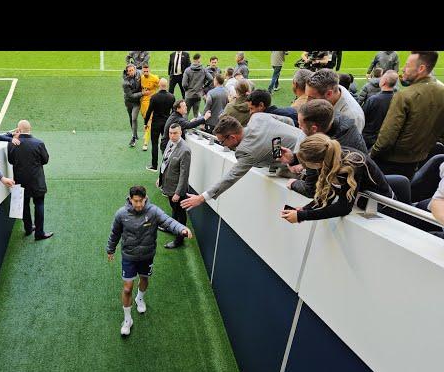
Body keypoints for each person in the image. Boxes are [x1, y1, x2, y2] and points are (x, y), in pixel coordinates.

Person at [106, 185, 192, 337]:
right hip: (129, 256)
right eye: (136, 201)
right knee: (127, 288)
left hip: (147, 255)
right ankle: (127, 320)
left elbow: (168, 221)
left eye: (142, 201)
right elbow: (115, 233)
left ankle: (140, 298)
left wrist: (181, 229)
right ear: (130, 199)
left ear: (145, 199)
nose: (139, 205)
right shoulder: (121, 214)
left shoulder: (153, 211)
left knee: (144, 279)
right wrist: (110, 249)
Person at [181, 113, 305, 211]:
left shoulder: (245, 151)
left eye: (222, 142)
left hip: (307, 164)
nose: (222, 144)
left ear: (232, 137)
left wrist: (202, 198)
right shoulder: (258, 117)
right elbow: (288, 121)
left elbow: (231, 177)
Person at [281, 134, 392, 224]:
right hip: (362, 202)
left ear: (317, 163)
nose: (304, 166)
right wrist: (305, 209)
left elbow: (344, 207)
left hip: (383, 209)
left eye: (305, 164)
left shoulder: (351, 165)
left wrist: (303, 216)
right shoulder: (328, 156)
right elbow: (327, 195)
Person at [370, 52, 444, 180]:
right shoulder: (441, 91)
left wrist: (371, 154)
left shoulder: (404, 95)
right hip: (421, 160)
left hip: (391, 162)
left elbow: (386, 139)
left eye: (407, 65)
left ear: (421, 69)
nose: (403, 68)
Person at [283, 98, 368, 198]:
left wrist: (293, 183)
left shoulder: (322, 148)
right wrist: (293, 158)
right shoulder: (341, 124)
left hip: (357, 195)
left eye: (301, 125)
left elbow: (311, 189)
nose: (299, 128)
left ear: (314, 129)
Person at [7, 120, 52, 240]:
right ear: (30, 129)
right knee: (39, 204)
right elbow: (45, 160)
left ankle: (28, 228)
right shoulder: (38, 143)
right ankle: (39, 232)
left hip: (20, 179)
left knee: (24, 204)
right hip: (37, 180)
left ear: (18, 129)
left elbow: (11, 161)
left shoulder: (12, 143)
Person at [158, 123, 191, 249]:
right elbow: (165, 162)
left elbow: (184, 174)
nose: (172, 136)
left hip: (177, 190)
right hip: (168, 186)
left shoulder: (185, 150)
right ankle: (172, 228)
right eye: (170, 133)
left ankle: (179, 240)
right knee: (174, 210)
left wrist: (178, 193)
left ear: (181, 132)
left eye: (175, 133)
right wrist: (160, 178)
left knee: (180, 215)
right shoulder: (170, 142)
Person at [305, 68, 365, 132]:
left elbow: (348, 141)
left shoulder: (351, 117)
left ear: (329, 94)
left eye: (312, 98)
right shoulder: (335, 89)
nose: (307, 102)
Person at [361, 70, 399, 149]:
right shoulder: (397, 99)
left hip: (370, 139)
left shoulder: (373, 100)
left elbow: (362, 117)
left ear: (384, 81)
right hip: (388, 139)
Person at [144, 78, 174, 171]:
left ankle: (154, 165)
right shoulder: (171, 97)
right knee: (167, 144)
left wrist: (146, 123)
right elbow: (173, 112)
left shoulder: (154, 97)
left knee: (154, 144)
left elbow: (149, 111)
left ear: (159, 86)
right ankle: (167, 164)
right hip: (166, 123)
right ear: (167, 85)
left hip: (156, 123)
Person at [182, 53, 213, 118]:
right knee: (196, 114)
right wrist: (204, 86)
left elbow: (184, 84)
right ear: (199, 60)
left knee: (186, 113)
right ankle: (195, 127)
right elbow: (211, 78)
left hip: (189, 95)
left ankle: (184, 127)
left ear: (193, 60)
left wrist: (187, 90)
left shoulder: (187, 70)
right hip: (198, 94)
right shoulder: (203, 70)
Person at [139, 64, 160, 151]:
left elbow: (162, 86)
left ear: (149, 70)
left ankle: (146, 143)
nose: (146, 72)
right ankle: (149, 133)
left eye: (147, 71)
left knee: (149, 122)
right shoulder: (141, 78)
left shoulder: (155, 78)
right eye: (144, 71)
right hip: (143, 103)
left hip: (151, 103)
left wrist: (156, 95)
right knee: (146, 120)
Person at [122, 64, 142, 148]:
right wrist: (142, 93)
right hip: (129, 102)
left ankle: (133, 138)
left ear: (135, 69)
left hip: (137, 102)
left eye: (132, 70)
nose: (131, 72)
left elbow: (148, 75)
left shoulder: (140, 74)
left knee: (134, 118)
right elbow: (131, 96)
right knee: (131, 118)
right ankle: (134, 133)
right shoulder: (125, 82)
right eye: (129, 71)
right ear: (127, 72)